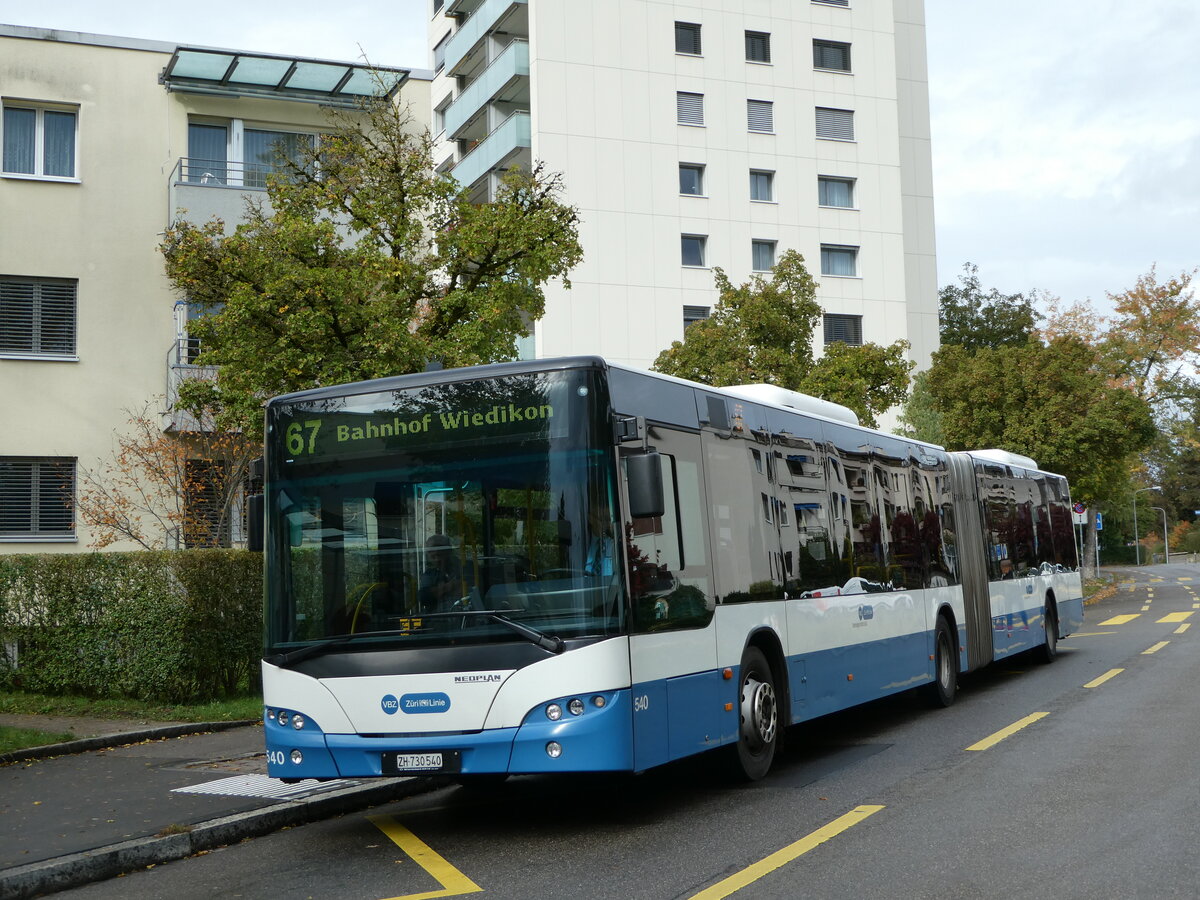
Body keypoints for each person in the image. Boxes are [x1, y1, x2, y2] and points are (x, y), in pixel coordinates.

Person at [419, 534, 463, 612]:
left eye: (439, 555)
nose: (437, 560)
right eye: (433, 557)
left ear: (448, 551)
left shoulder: (463, 567)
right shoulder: (430, 574)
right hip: (437, 619)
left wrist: (438, 590)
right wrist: (449, 587)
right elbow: (423, 597)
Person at [583, 504, 615, 577]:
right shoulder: (581, 543)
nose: (606, 525)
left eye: (608, 520)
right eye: (602, 520)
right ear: (590, 518)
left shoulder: (615, 544)